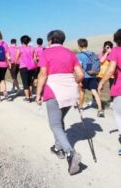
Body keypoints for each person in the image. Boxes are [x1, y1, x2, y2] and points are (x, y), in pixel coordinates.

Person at [36, 30, 84, 175]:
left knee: (54, 124)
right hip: (70, 92)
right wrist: (71, 82)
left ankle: (70, 153)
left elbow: (43, 74)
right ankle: (58, 148)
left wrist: (38, 94)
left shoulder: (45, 53)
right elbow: (80, 75)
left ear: (50, 40)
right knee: (59, 119)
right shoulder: (71, 53)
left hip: (53, 90)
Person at [98, 29, 121, 155]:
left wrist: (102, 83)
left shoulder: (117, 51)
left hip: (120, 89)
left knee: (119, 115)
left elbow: (111, 70)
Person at [77, 38, 104, 117]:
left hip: (84, 76)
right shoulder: (92, 53)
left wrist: (79, 80)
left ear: (79, 46)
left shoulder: (79, 55)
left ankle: (81, 106)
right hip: (93, 75)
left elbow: (80, 67)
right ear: (86, 45)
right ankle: (100, 109)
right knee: (94, 92)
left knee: (82, 91)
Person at [16, 35, 37, 102]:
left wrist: (16, 63)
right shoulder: (32, 48)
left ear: (21, 41)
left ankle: (27, 98)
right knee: (30, 81)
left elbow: (16, 58)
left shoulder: (19, 48)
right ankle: (30, 95)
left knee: (25, 82)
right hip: (31, 67)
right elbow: (35, 58)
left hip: (23, 67)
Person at [97, 41, 114, 105]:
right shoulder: (101, 53)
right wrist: (106, 53)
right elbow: (100, 61)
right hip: (101, 73)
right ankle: (96, 100)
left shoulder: (113, 53)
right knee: (99, 87)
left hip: (111, 74)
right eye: (106, 47)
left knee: (112, 88)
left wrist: (110, 53)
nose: (107, 48)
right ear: (104, 47)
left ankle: (112, 101)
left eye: (109, 47)